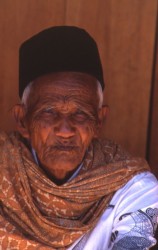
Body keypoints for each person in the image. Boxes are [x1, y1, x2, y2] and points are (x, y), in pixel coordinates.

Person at [0, 26, 158, 250]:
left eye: (80, 114)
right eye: (48, 111)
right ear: (22, 119)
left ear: (99, 122)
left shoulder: (133, 188)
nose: (65, 130)